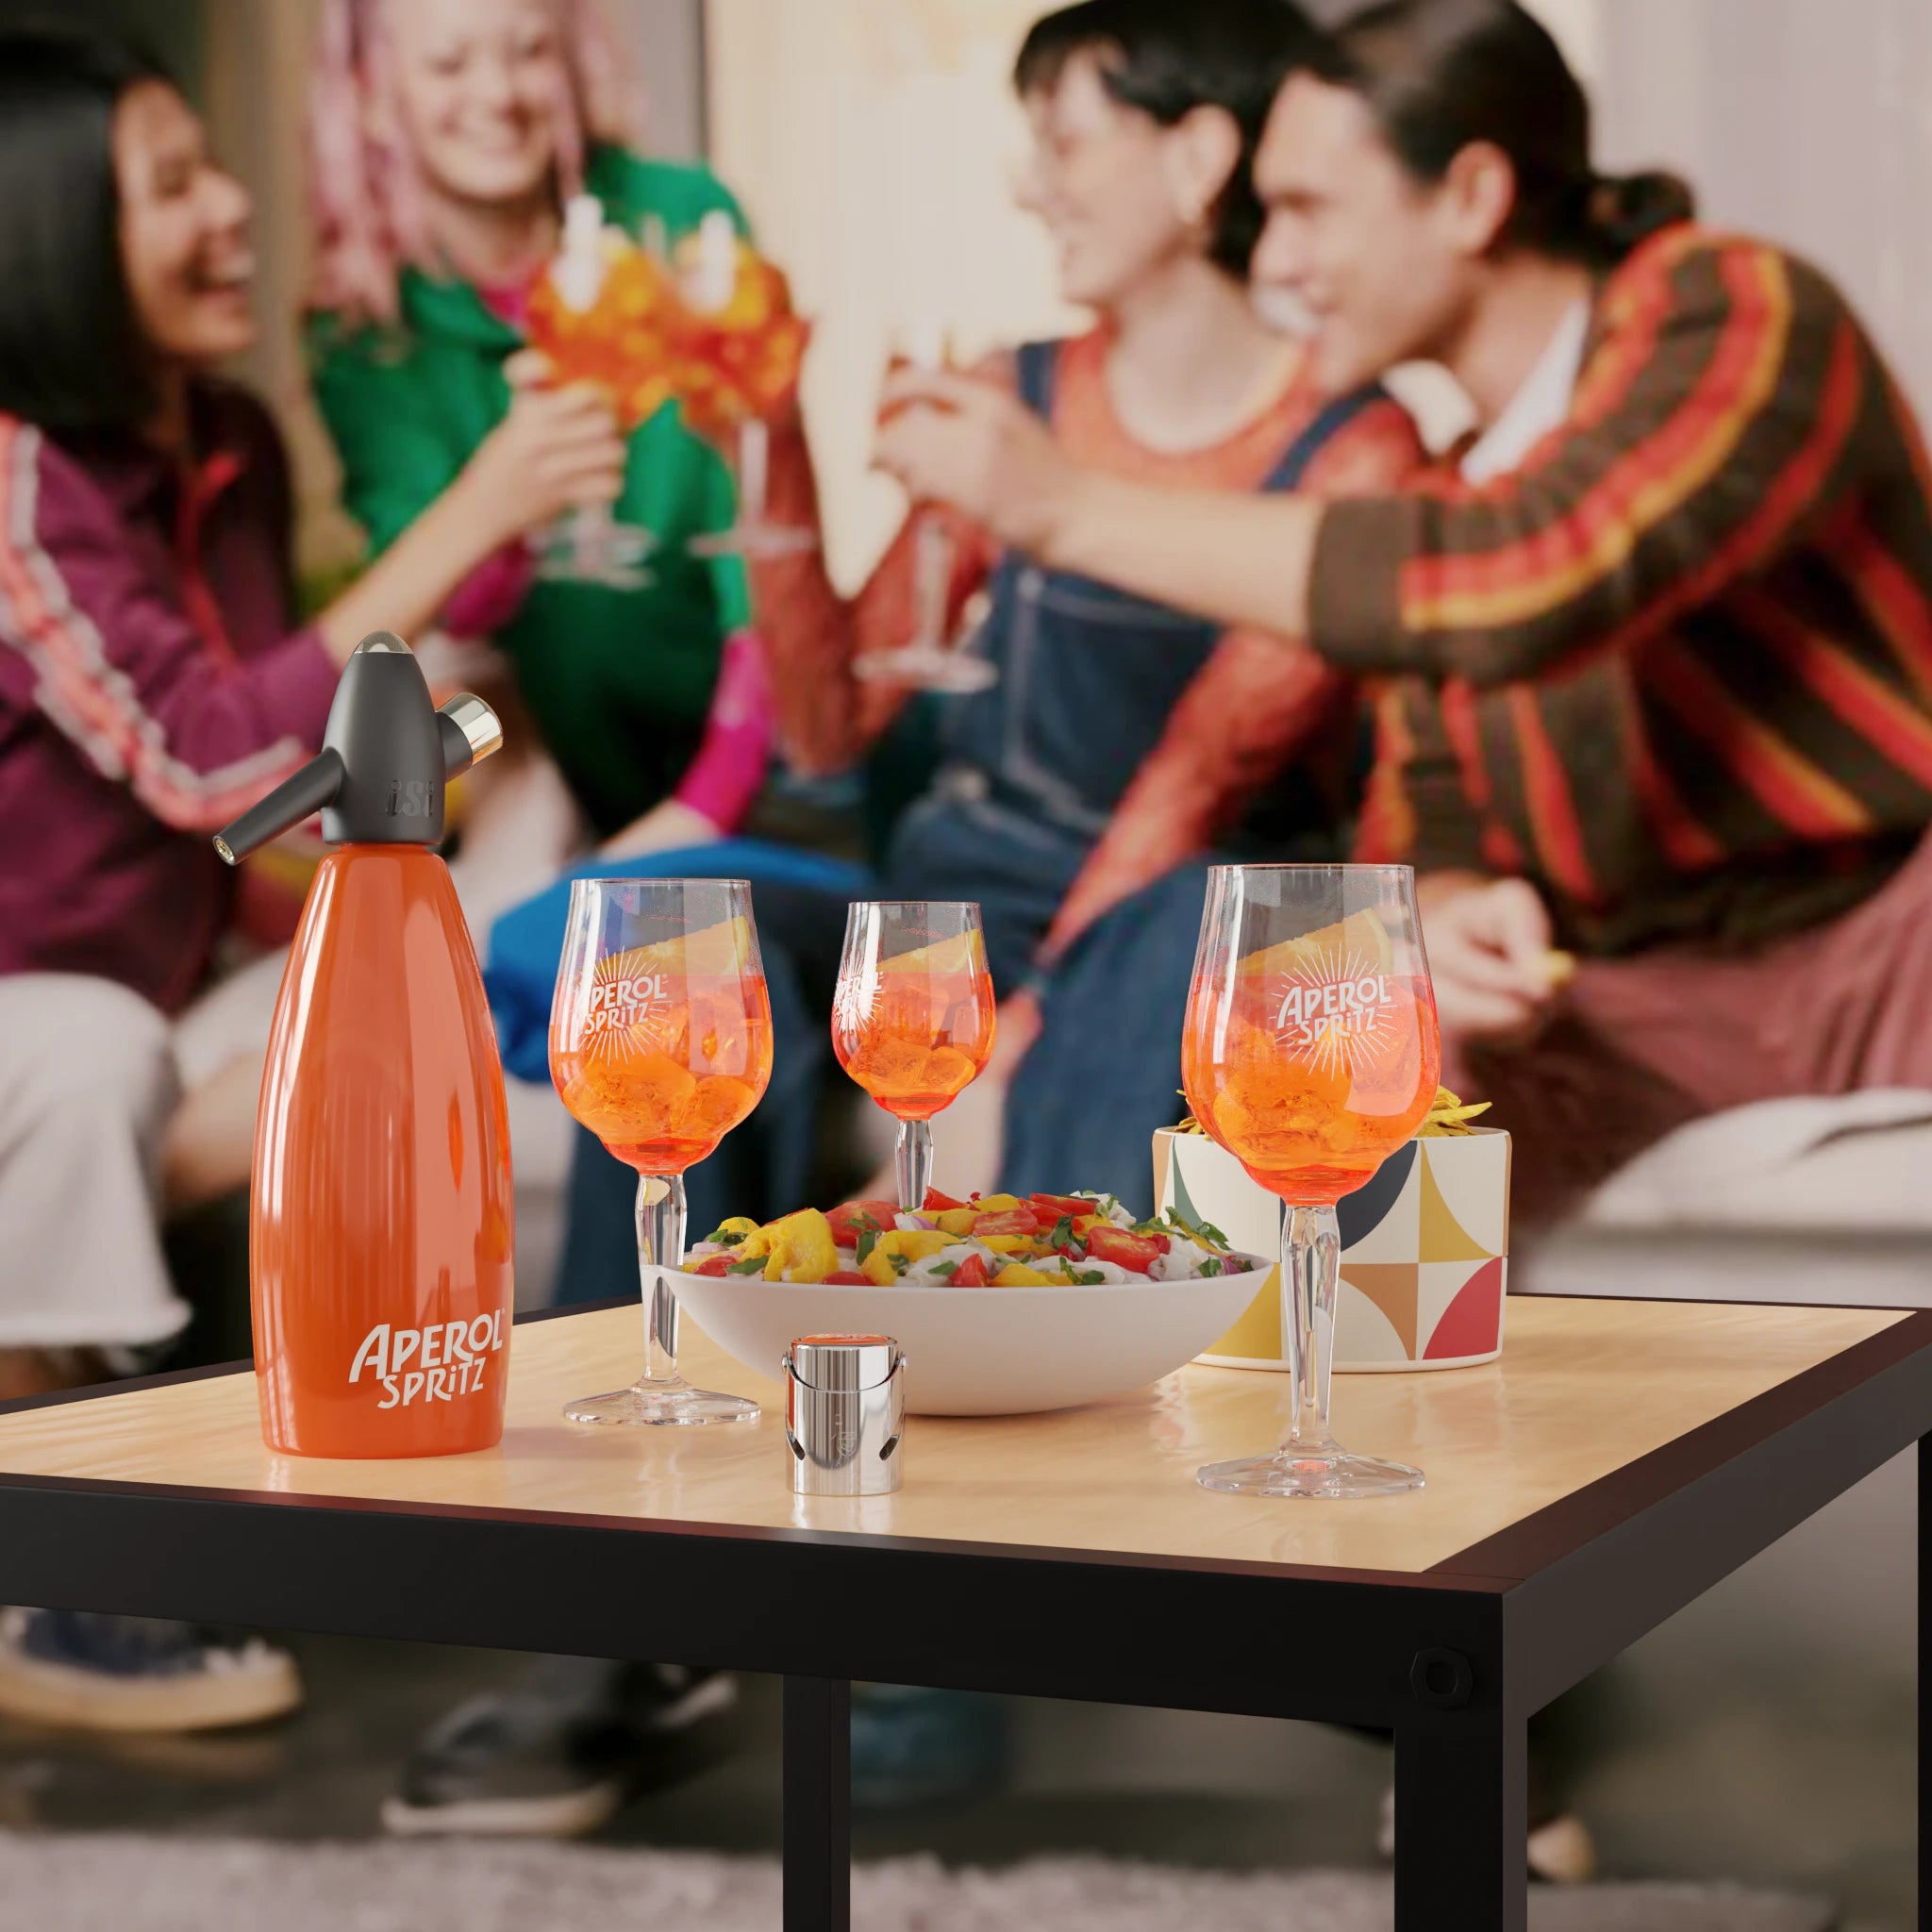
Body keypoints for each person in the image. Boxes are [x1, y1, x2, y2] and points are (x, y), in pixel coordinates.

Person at [877, 0, 1932, 1230]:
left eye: (1309, 211)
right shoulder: (1446, 476)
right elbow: (1423, 791)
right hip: (1642, 998)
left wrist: (1061, 509)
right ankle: (1074, 1346)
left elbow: (1531, 578)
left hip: (1885, 942)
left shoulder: (1735, 309)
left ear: (1472, 197)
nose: (1270, 262)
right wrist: (1452, 890)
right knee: (1305, 1000)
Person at [0, 25, 623, 1732]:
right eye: (172, 183)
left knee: (467, 947)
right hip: (38, 1016)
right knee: (88, 1056)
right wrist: (477, 503)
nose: (232, 212)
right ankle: (59, 1573)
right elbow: (220, 762)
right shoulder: (14, 478)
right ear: (48, 229)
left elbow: (285, 808)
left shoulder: (227, 440)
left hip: (173, 980)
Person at [740, 0, 1422, 1213]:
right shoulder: (1019, 390)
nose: (1028, 188)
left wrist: (1023, 1034)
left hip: (1162, 915)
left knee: (1176, 925)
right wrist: (775, 444)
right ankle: (633, 1367)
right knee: (689, 951)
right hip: (953, 903)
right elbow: (829, 730)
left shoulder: (1351, 446)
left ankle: (1046, 1345)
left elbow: (1198, 774)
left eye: (1062, 143)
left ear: (1197, 159)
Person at [306, 0, 774, 861]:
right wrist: (509, 503)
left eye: (529, 53)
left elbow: (765, 555)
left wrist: (704, 814)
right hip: (538, 796)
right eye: (450, 64)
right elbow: (440, 618)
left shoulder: (682, 223)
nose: (499, 94)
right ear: (372, 95)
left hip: (736, 777)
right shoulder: (365, 337)